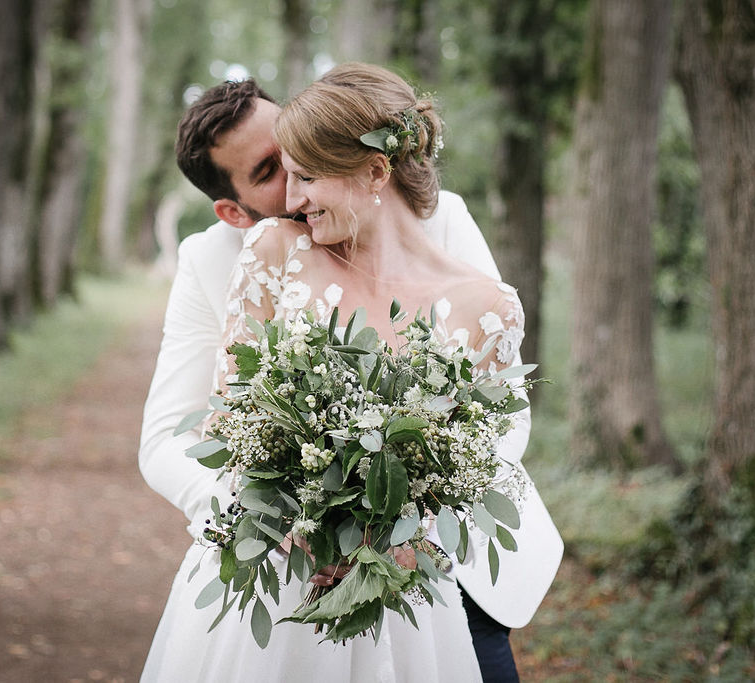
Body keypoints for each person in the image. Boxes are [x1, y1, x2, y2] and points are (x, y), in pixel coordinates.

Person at [139, 68, 562, 682]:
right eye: (273, 170)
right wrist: (278, 516)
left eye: (303, 159)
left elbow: (497, 421)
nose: (291, 191)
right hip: (287, 560)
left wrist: (409, 520)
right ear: (232, 209)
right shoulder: (255, 255)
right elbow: (196, 432)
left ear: (373, 168)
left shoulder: (449, 233)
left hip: (438, 563)